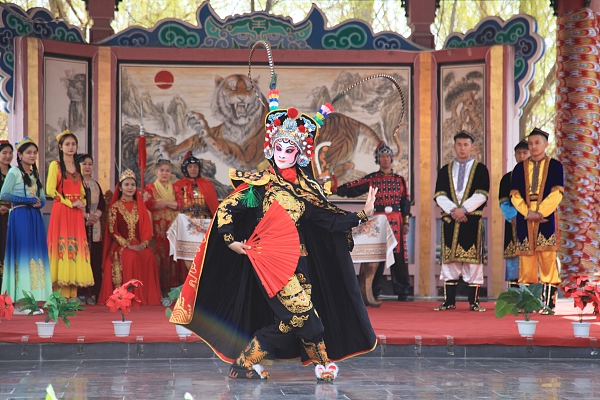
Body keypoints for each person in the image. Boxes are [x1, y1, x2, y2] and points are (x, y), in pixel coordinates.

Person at [170, 103, 378, 381]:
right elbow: (228, 209)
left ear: (299, 154)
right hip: (269, 262)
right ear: (271, 150)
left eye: (289, 150)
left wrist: (363, 214)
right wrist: (231, 240)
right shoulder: (260, 186)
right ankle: (321, 365)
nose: (282, 155)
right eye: (278, 149)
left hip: (300, 261)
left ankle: (249, 362)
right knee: (304, 314)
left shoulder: (306, 190)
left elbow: (328, 220)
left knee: (296, 316)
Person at [336, 141, 411, 304]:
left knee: (399, 257)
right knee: (376, 256)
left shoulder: (400, 180)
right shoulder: (372, 179)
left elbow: (405, 202)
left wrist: (406, 222)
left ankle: (403, 292)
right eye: (382, 156)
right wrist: (336, 188)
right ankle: (374, 290)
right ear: (378, 159)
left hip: (397, 221)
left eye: (388, 156)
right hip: (379, 221)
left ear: (391, 159)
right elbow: (353, 187)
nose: (385, 159)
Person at [433, 131, 489, 312]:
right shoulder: (445, 170)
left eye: (466, 145)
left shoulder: (481, 169)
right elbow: (439, 195)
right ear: (454, 146)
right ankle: (449, 301)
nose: (462, 148)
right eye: (459, 144)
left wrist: (463, 210)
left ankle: (474, 302)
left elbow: (482, 194)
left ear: (472, 147)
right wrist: (454, 211)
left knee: (474, 262)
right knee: (449, 262)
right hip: (451, 221)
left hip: (471, 221)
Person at [510, 128, 563, 313]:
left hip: (545, 218)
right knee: (526, 260)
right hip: (525, 217)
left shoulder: (556, 166)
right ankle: (528, 303)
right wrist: (527, 213)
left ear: (546, 144)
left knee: (548, 258)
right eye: (530, 143)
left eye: (537, 143)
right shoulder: (519, 168)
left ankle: (548, 303)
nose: (533, 147)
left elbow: (557, 194)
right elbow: (515, 195)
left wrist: (540, 213)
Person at [98, 169, 162, 306]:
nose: (130, 188)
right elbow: (112, 231)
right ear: (120, 188)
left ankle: (148, 298)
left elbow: (146, 228)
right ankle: (129, 298)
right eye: (126, 185)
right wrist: (127, 245)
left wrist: (144, 244)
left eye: (132, 185)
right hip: (121, 245)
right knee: (131, 256)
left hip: (139, 243)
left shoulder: (140, 206)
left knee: (149, 256)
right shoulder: (115, 207)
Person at [0, 137, 52, 302]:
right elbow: (4, 194)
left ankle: (36, 296)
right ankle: (22, 299)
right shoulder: (14, 172)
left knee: (35, 253)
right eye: (29, 152)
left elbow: (42, 198)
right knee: (23, 253)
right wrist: (28, 200)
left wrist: (38, 202)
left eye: (35, 153)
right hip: (20, 215)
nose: (32, 155)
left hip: (34, 216)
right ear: (20, 155)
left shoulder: (35, 173)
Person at [46, 130, 93, 300]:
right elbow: (50, 190)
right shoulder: (56, 165)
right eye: (67, 144)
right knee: (63, 246)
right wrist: (70, 203)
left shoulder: (77, 167)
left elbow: (81, 189)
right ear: (60, 146)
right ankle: (60, 294)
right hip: (63, 210)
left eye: (73, 144)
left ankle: (73, 294)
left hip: (75, 213)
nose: (70, 147)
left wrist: (83, 203)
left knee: (75, 247)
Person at [143, 159, 187, 294]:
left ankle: (174, 289)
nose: (164, 173)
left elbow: (181, 204)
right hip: (156, 228)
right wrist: (170, 203)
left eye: (167, 171)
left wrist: (164, 202)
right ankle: (159, 289)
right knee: (159, 256)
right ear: (156, 172)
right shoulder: (150, 188)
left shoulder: (176, 188)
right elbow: (150, 205)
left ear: (171, 173)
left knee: (173, 255)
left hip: (173, 227)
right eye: (162, 170)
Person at [499, 140, 529, 288]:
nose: (522, 156)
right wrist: (514, 217)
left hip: (533, 223)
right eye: (519, 153)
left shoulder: (538, 177)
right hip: (514, 224)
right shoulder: (507, 178)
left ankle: (533, 299)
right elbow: (504, 202)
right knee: (513, 260)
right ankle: (514, 297)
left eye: (525, 153)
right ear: (515, 155)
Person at [77, 154, 105, 305]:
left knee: (94, 259)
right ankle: (80, 292)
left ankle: (93, 293)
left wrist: (95, 217)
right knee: (81, 258)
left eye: (90, 164)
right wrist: (86, 216)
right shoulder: (75, 183)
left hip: (95, 225)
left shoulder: (95, 184)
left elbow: (102, 205)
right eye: (84, 164)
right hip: (78, 224)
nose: (87, 166)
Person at [173, 152, 218, 219]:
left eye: (195, 166)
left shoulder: (207, 185)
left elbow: (214, 206)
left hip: (205, 220)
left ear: (199, 169)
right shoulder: (178, 185)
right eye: (190, 167)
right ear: (185, 169)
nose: (193, 169)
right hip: (184, 221)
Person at [0, 140, 13, 291]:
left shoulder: (14, 173)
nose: (8, 156)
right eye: (4, 153)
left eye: (10, 153)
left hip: (12, 216)